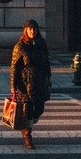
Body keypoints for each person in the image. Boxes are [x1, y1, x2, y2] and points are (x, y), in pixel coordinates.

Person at [10, 19, 52, 149]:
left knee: (39, 108)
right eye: (30, 29)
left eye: (34, 29)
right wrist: (13, 86)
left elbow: (46, 62)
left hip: (40, 80)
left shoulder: (41, 44)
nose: (32, 31)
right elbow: (14, 67)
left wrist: (49, 77)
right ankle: (27, 136)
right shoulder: (20, 46)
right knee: (27, 110)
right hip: (25, 82)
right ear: (26, 30)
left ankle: (28, 125)